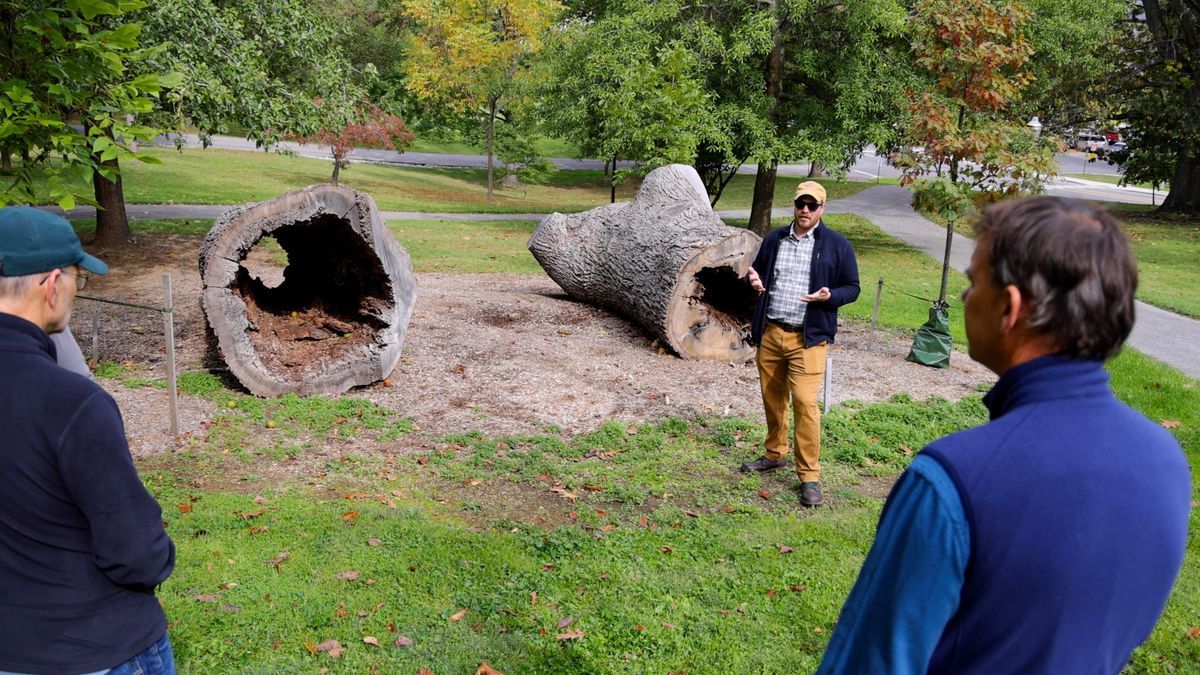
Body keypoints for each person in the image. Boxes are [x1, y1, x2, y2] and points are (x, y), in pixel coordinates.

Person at [817, 197, 1191, 673]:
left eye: (974, 282)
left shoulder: (952, 480)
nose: (964, 297)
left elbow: (873, 662)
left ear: (1010, 308)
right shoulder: (1166, 459)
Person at [0, 206, 176, 675]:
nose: (77, 289)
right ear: (52, 284)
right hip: (95, 645)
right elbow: (136, 551)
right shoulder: (71, 402)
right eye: (79, 276)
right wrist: (161, 552)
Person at [739, 181, 860, 506]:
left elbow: (853, 287)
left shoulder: (837, 245)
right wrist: (754, 280)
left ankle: (809, 477)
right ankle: (775, 453)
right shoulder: (775, 239)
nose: (805, 210)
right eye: (800, 204)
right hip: (772, 333)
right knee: (773, 398)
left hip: (808, 339)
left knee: (806, 404)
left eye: (812, 205)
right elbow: (758, 274)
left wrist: (830, 295)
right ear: (794, 205)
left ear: (822, 208)